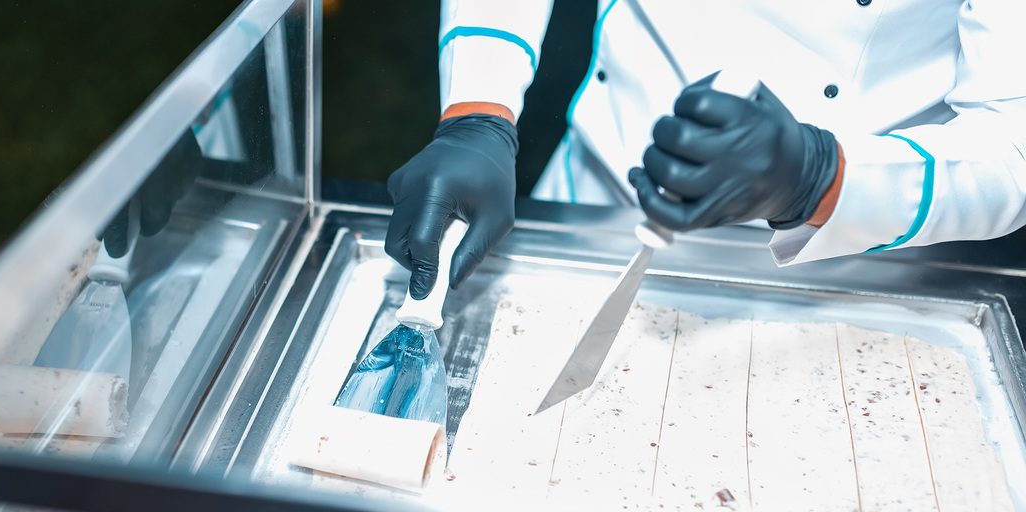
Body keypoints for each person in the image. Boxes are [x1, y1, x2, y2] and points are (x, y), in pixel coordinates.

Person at [385, 0, 1026, 300]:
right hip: (590, 209)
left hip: (844, 266)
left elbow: (1012, 146)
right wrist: (478, 110)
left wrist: (819, 176)